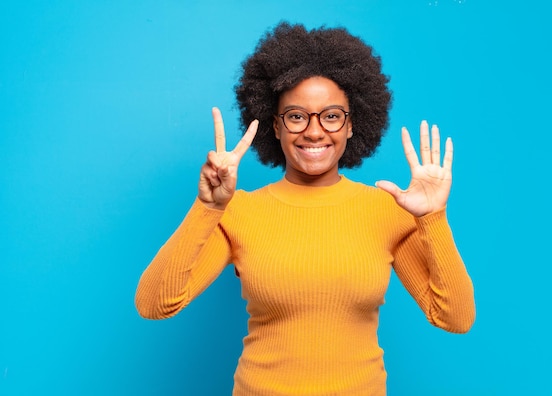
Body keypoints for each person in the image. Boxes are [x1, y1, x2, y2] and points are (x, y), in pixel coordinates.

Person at [135, 22, 475, 395]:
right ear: (275, 127)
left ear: (351, 125)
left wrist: (432, 219)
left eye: (331, 116)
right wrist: (206, 208)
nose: (314, 132)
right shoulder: (237, 212)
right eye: (297, 116)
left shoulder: (388, 211)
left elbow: (455, 318)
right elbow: (154, 304)